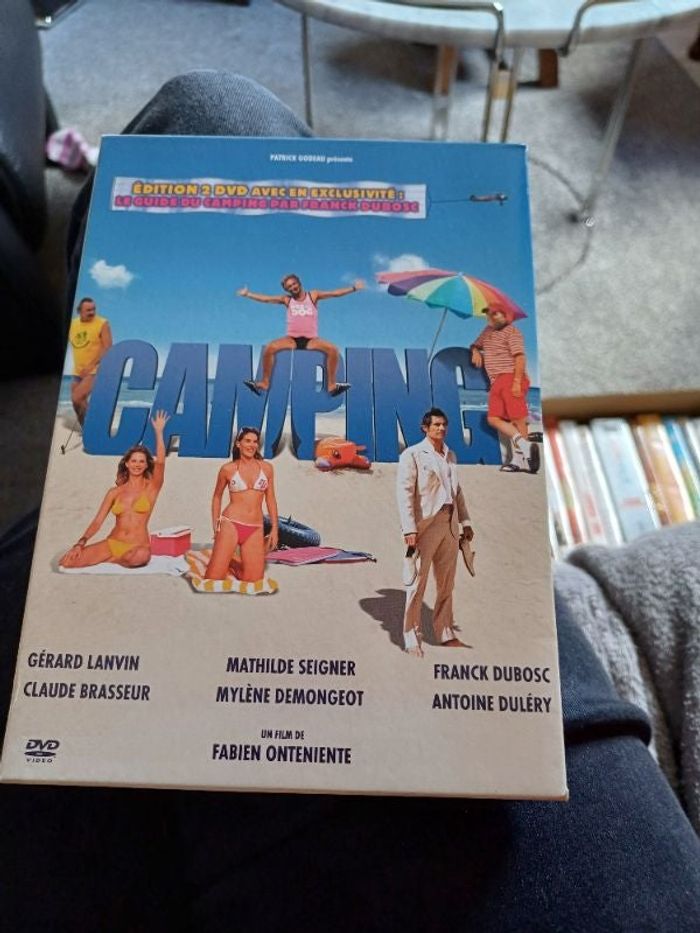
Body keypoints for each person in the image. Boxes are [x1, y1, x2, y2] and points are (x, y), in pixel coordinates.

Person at [2, 72, 698, 933]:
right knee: (219, 120)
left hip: (457, 799)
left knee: (211, 115)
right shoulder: (284, 328)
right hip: (557, 807)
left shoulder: (324, 319)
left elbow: (323, 325)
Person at [396, 407, 474, 656]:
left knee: (446, 583)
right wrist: (409, 528)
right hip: (425, 526)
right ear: (425, 428)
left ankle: (445, 632)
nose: (441, 428)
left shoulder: (450, 455)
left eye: (444, 425)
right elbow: (404, 493)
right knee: (417, 583)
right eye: (436, 425)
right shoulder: (412, 454)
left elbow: (456, 491)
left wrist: (466, 521)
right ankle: (411, 636)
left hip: (450, 524)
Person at [58, 410, 169, 569]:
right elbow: (97, 521)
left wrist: (159, 432)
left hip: (137, 546)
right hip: (113, 543)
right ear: (127, 464)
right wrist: (80, 543)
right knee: (67, 561)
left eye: (141, 461)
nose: (137, 465)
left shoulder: (151, 488)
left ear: (146, 465)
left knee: (140, 556)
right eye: (134, 461)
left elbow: (161, 463)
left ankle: (114, 559)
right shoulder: (114, 492)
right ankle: (115, 558)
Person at [237, 274, 364, 396]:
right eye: (289, 287)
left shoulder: (313, 295)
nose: (292, 287)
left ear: (299, 283)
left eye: (294, 284)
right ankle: (265, 383)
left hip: (311, 340)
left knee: (333, 350)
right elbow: (266, 299)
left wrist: (353, 288)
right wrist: (248, 294)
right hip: (292, 339)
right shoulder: (287, 300)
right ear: (286, 290)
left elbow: (334, 294)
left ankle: (331, 385)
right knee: (270, 348)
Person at [470, 305, 540, 473]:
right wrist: (475, 351)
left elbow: (520, 358)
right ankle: (525, 447)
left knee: (517, 419)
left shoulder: (512, 332)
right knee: (493, 419)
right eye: (489, 315)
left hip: (511, 376)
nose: (491, 317)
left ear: (506, 315)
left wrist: (517, 382)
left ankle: (520, 460)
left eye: (495, 314)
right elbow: (476, 344)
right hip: (496, 382)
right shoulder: (487, 331)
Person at [204, 425, 279, 582]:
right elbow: (217, 497)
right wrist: (216, 525)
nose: (252, 445)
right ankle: (224, 562)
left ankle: (234, 564)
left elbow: (271, 499)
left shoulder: (267, 468)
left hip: (255, 527)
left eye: (255, 442)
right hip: (231, 523)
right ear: (238, 444)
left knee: (253, 580)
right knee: (213, 578)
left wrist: (274, 529)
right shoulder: (228, 469)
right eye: (247, 441)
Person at [67, 296, 112, 427]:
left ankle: (97, 426)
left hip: (96, 369)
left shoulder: (102, 323)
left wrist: (92, 365)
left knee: (77, 397)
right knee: (76, 403)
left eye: (93, 309)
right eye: (88, 310)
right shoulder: (73, 324)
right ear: (79, 311)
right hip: (78, 371)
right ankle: (86, 430)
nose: (92, 312)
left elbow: (108, 347)